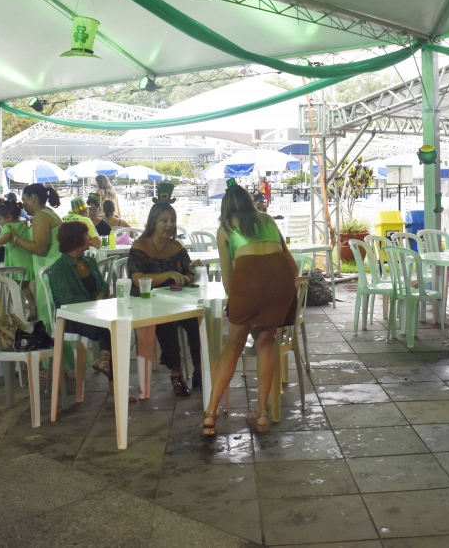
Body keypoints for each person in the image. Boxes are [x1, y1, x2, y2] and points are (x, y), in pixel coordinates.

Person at [202, 180, 297, 436]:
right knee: (265, 343)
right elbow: (292, 265)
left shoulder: (225, 228)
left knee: (233, 346)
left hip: (248, 281)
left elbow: (227, 279)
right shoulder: (267, 220)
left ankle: (210, 413)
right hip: (280, 281)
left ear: (225, 207)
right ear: (248, 201)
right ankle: (262, 413)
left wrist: (238, 305)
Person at [128, 200, 203, 397]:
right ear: (154, 222)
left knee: (197, 319)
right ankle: (176, 372)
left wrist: (192, 270)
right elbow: (138, 280)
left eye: (172, 220)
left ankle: (199, 368)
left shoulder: (176, 246)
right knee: (166, 321)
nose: (169, 225)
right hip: (147, 302)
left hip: (175, 299)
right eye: (164, 220)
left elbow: (187, 277)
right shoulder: (140, 246)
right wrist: (168, 274)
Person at [47, 221, 118, 392]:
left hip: (94, 313)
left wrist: (99, 298)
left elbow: (102, 285)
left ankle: (105, 361)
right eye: (86, 235)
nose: (90, 238)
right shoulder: (58, 269)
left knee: (116, 324)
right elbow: (68, 300)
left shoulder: (89, 261)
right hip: (71, 319)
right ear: (75, 240)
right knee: (109, 327)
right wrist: (95, 303)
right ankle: (113, 383)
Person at [7, 184, 62, 328]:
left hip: (51, 271)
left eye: (24, 200)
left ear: (33, 198)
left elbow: (39, 247)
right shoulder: (46, 213)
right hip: (52, 268)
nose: (23, 205)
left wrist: (15, 238)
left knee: (49, 317)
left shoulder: (41, 216)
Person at [0, 200, 35, 303]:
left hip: (17, 262)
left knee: (13, 286)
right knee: (24, 286)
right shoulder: (22, 224)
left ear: (8, 217)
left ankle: (15, 307)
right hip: (27, 260)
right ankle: (31, 306)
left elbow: (4, 240)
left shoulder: (7, 226)